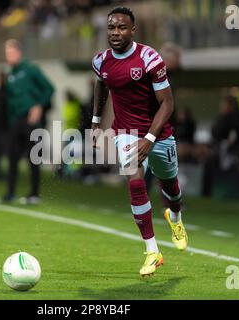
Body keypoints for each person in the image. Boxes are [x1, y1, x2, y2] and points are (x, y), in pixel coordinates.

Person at [91, 7, 188, 277]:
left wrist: (149, 139)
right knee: (134, 179)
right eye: (111, 28)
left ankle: (175, 218)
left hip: (158, 132)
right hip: (125, 130)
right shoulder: (101, 61)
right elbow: (101, 84)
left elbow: (167, 104)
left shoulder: (149, 59)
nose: (115, 33)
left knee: (171, 188)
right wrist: (96, 122)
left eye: (122, 28)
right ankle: (152, 251)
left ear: (133, 31)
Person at [0, 39, 54, 204]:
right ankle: (10, 192)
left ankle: (34, 193)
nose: (8, 56)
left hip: (30, 120)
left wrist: (38, 106)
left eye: (10, 53)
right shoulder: (11, 75)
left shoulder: (31, 69)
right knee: (12, 156)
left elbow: (49, 88)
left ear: (18, 52)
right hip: (15, 121)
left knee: (33, 157)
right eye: (6, 53)